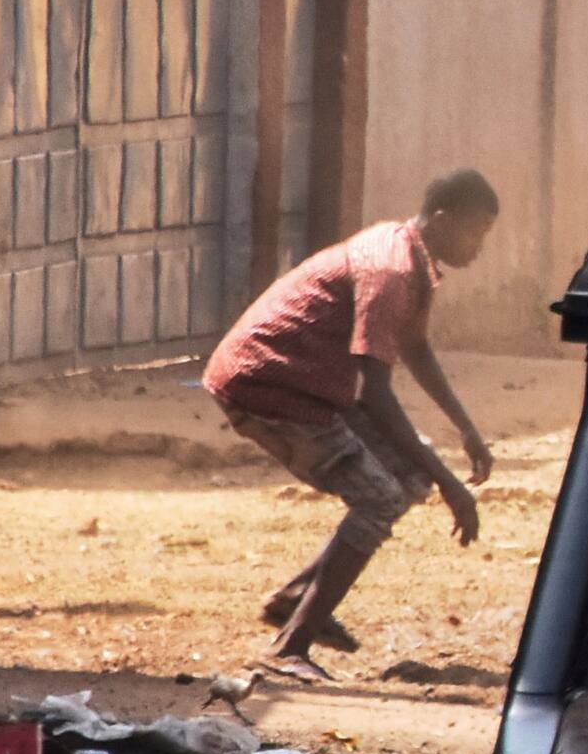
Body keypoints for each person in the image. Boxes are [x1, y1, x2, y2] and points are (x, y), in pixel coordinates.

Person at [207, 172, 500, 678]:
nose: (478, 248)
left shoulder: (411, 258)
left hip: (306, 385)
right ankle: (289, 650)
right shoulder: (392, 271)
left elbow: (415, 348)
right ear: (441, 220)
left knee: (408, 479)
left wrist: (465, 429)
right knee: (381, 497)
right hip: (269, 385)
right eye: (475, 232)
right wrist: (451, 484)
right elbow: (376, 395)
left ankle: (297, 598)